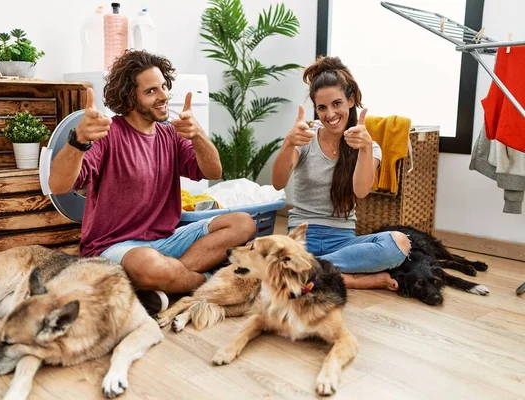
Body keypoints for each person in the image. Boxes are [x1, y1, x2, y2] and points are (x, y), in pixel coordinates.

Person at [49, 50, 256, 314]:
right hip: (115, 246)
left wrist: (198, 135)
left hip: (167, 239)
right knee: (149, 265)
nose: (163, 97)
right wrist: (77, 141)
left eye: (164, 87)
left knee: (242, 223)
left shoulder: (170, 133)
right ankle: (206, 283)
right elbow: (58, 186)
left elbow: (214, 171)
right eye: (151, 92)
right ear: (129, 98)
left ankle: (167, 283)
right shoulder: (108, 134)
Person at [271, 56, 410, 291]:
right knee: (283, 259)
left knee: (400, 243)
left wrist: (365, 148)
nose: (330, 114)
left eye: (337, 104)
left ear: (351, 100)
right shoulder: (305, 137)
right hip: (304, 236)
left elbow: (361, 191)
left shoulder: (368, 146)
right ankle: (348, 278)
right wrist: (288, 144)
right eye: (322, 107)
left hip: (344, 239)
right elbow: (278, 183)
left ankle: (310, 271)